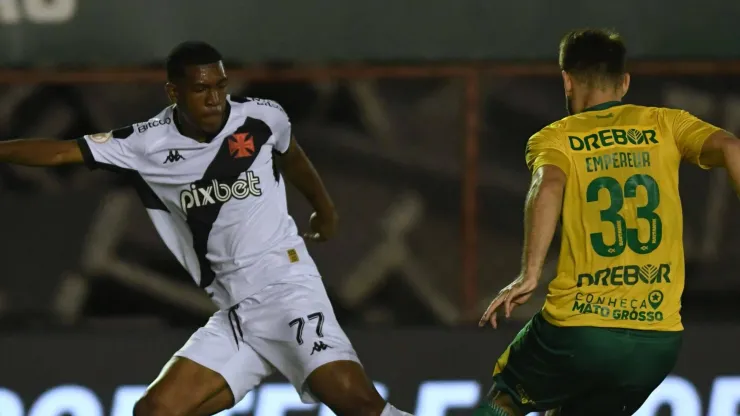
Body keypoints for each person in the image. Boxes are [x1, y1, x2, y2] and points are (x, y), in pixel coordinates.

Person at [0, 41, 412, 416]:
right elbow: (59, 152)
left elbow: (294, 158)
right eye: (201, 90)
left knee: (358, 405)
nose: (215, 99)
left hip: (286, 290)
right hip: (236, 312)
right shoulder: (146, 143)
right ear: (173, 92)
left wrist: (325, 210)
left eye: (220, 85)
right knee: (154, 412)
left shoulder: (262, 117)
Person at [475, 29, 740, 416]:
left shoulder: (557, 138)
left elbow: (548, 186)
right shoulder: (665, 124)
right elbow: (732, 147)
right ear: (625, 82)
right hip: (657, 339)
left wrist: (529, 274)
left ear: (566, 78)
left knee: (506, 402)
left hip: (578, 330)